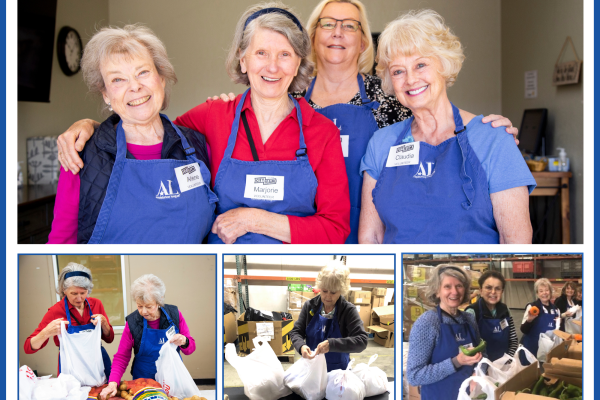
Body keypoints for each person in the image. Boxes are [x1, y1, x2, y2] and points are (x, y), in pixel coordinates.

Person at [208, 0, 518, 244]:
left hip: (368, 225)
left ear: (364, 42)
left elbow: (433, 117)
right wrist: (224, 103)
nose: (337, 32)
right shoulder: (287, 92)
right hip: (303, 232)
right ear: (310, 38)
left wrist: (488, 132)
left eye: (350, 26)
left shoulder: (388, 97)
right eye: (327, 24)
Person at [56, 3, 350, 244]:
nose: (272, 66)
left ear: (298, 62)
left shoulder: (322, 132)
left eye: (284, 55)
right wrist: (91, 126)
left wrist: (257, 220)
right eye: (261, 53)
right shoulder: (212, 117)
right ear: (243, 60)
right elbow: (145, 122)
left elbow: (335, 229)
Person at [359, 9, 536, 244]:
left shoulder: (493, 139)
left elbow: (515, 241)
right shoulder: (381, 144)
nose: (410, 79)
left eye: (421, 64)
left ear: (443, 64)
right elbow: (371, 237)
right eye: (398, 71)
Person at [48, 24, 217, 244]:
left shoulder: (198, 144)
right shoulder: (81, 153)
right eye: (118, 79)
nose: (135, 86)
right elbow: (61, 242)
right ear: (106, 94)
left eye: (143, 72)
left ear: (161, 78)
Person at [99, 274, 195, 400]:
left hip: (172, 380)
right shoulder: (133, 322)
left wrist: (184, 341)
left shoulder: (174, 315)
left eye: (149, 307)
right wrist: (112, 383)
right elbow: (122, 357)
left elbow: (190, 349)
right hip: (143, 383)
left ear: (159, 301)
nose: (143, 311)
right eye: (139, 306)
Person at [407, 265, 483, 400]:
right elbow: (414, 376)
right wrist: (456, 362)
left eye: (459, 286)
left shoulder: (469, 319)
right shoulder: (427, 323)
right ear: (437, 291)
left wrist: (477, 372)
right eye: (447, 286)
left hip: (469, 395)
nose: (454, 292)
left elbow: (482, 352)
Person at [24, 263, 114, 377]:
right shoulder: (55, 311)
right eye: (74, 293)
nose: (79, 298)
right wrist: (45, 333)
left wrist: (104, 324)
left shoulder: (96, 304)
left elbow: (109, 339)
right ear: (64, 290)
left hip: (98, 362)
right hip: (71, 367)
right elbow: (28, 348)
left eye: (83, 293)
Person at [289, 261, 367, 372]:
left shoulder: (348, 310)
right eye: (324, 291)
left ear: (341, 291)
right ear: (320, 287)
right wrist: (301, 346)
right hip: (312, 369)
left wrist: (332, 344)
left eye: (333, 292)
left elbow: (362, 341)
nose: (328, 297)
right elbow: (296, 332)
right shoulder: (310, 306)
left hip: (338, 372)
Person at [464, 270, 518, 361]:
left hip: (504, 365)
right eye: (488, 288)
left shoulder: (505, 311)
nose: (493, 292)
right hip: (481, 367)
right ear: (481, 290)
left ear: (502, 291)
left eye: (497, 288)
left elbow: (513, 340)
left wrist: (507, 361)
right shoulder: (472, 312)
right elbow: (468, 346)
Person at [519, 278, 559, 365]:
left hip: (547, 350)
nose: (544, 293)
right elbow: (523, 330)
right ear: (537, 294)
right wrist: (529, 320)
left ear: (550, 292)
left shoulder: (555, 309)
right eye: (541, 291)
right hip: (531, 349)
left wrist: (560, 323)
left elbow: (558, 331)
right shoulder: (532, 307)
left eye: (546, 290)